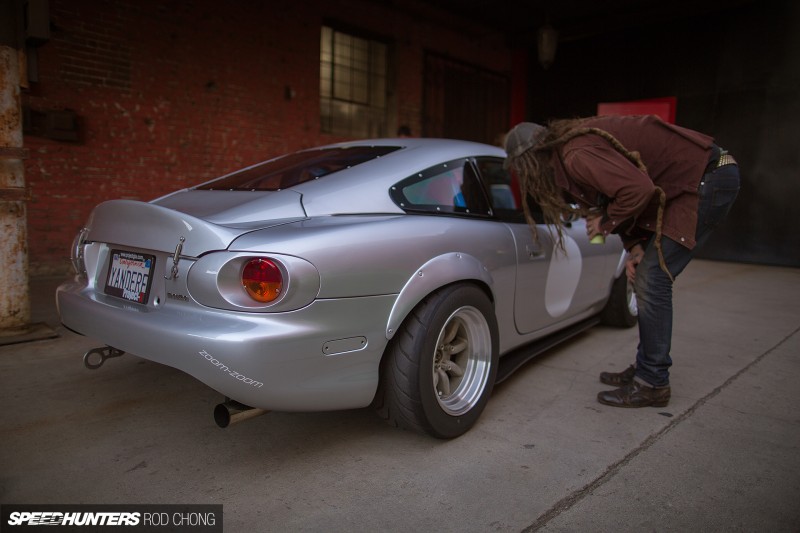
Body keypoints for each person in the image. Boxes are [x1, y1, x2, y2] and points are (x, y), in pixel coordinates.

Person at [504, 115, 740, 408]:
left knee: (652, 281)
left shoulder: (575, 154)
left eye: (523, 171)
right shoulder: (571, 154)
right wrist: (635, 247)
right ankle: (646, 369)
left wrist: (604, 223)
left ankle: (652, 382)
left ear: (532, 161)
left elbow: (637, 191)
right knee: (645, 275)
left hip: (708, 178)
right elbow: (617, 195)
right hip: (696, 180)